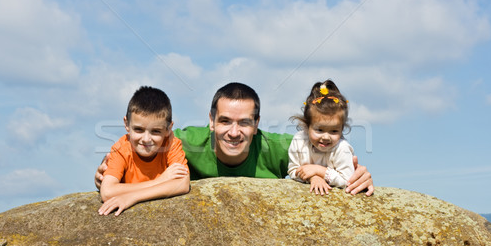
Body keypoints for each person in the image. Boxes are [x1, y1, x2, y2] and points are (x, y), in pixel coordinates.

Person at [95, 82, 374, 195]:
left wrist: (357, 175)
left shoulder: (281, 148)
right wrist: (109, 173)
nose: (233, 132)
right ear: (211, 120)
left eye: (244, 123)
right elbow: (139, 140)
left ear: (257, 125)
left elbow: (327, 152)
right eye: (225, 121)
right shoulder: (183, 141)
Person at [97, 86, 190, 216]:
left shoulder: (171, 143)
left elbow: (182, 183)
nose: (146, 139)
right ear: (126, 124)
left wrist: (132, 197)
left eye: (156, 131)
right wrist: (160, 181)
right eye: (139, 130)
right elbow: (107, 192)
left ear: (169, 129)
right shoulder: (120, 149)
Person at [288, 80, 371, 195]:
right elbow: (293, 170)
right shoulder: (299, 140)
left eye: (334, 131)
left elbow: (348, 180)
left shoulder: (342, 148)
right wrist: (313, 177)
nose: (326, 137)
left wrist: (320, 171)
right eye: (319, 130)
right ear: (307, 126)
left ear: (342, 129)